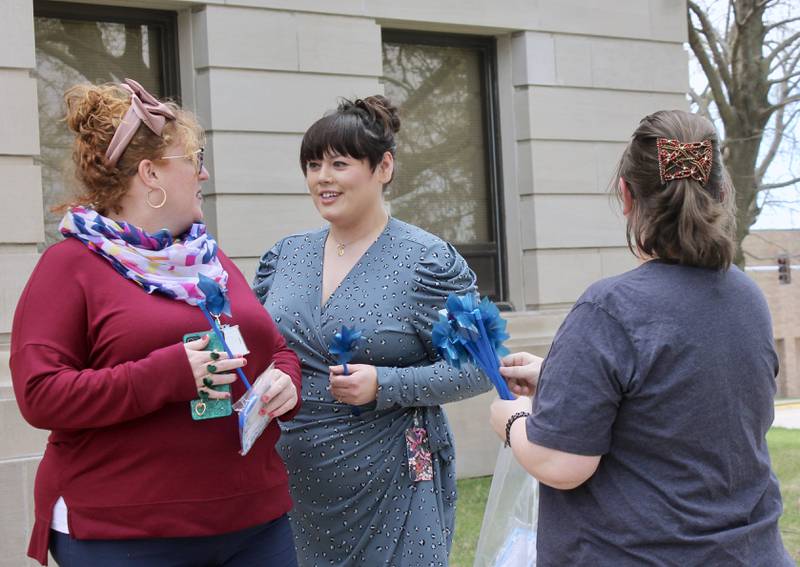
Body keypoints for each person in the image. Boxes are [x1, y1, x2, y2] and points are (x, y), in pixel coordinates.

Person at [10, 79, 302, 566]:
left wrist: (286, 380)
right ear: (151, 174)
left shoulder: (208, 259)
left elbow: (277, 350)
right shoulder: (69, 266)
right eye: (194, 159)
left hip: (255, 522)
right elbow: (40, 393)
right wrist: (166, 374)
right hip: (124, 533)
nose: (204, 174)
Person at [489, 109, 793, 565]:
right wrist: (559, 377)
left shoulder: (609, 309)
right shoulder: (747, 298)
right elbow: (681, 399)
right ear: (723, 193)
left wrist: (512, 420)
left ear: (626, 195)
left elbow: (563, 465)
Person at [253, 95, 492, 566]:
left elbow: (480, 366)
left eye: (339, 164)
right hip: (291, 477)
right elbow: (257, 348)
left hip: (393, 479)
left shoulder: (426, 260)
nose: (322, 177)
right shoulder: (284, 257)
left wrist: (386, 384)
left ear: (383, 167)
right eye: (313, 164)